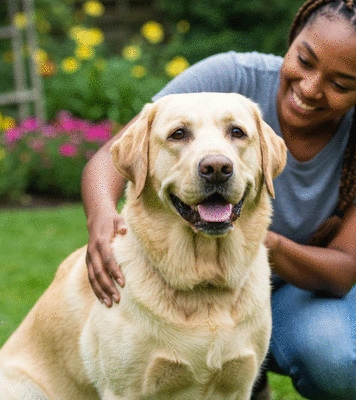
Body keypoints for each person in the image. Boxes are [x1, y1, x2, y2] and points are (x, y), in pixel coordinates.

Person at [81, 0, 356, 399]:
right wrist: (102, 217)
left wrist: (258, 242)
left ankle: (243, 363)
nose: (311, 88)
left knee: (339, 358)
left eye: (341, 84)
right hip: (187, 282)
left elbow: (343, 270)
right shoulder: (231, 76)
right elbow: (115, 153)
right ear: (292, 39)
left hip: (299, 294)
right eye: (305, 60)